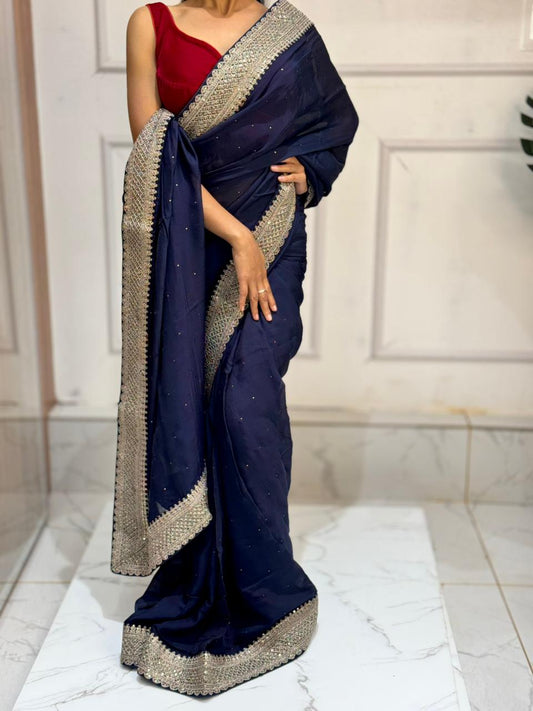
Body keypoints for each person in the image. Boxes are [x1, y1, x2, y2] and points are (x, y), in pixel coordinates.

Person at [110, 0, 359, 696]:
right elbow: (153, 152)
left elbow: (334, 118)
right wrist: (236, 237)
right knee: (191, 402)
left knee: (246, 406)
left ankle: (263, 587)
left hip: (273, 237)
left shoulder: (287, 31)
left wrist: (311, 168)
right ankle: (194, 578)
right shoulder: (150, 24)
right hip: (192, 243)